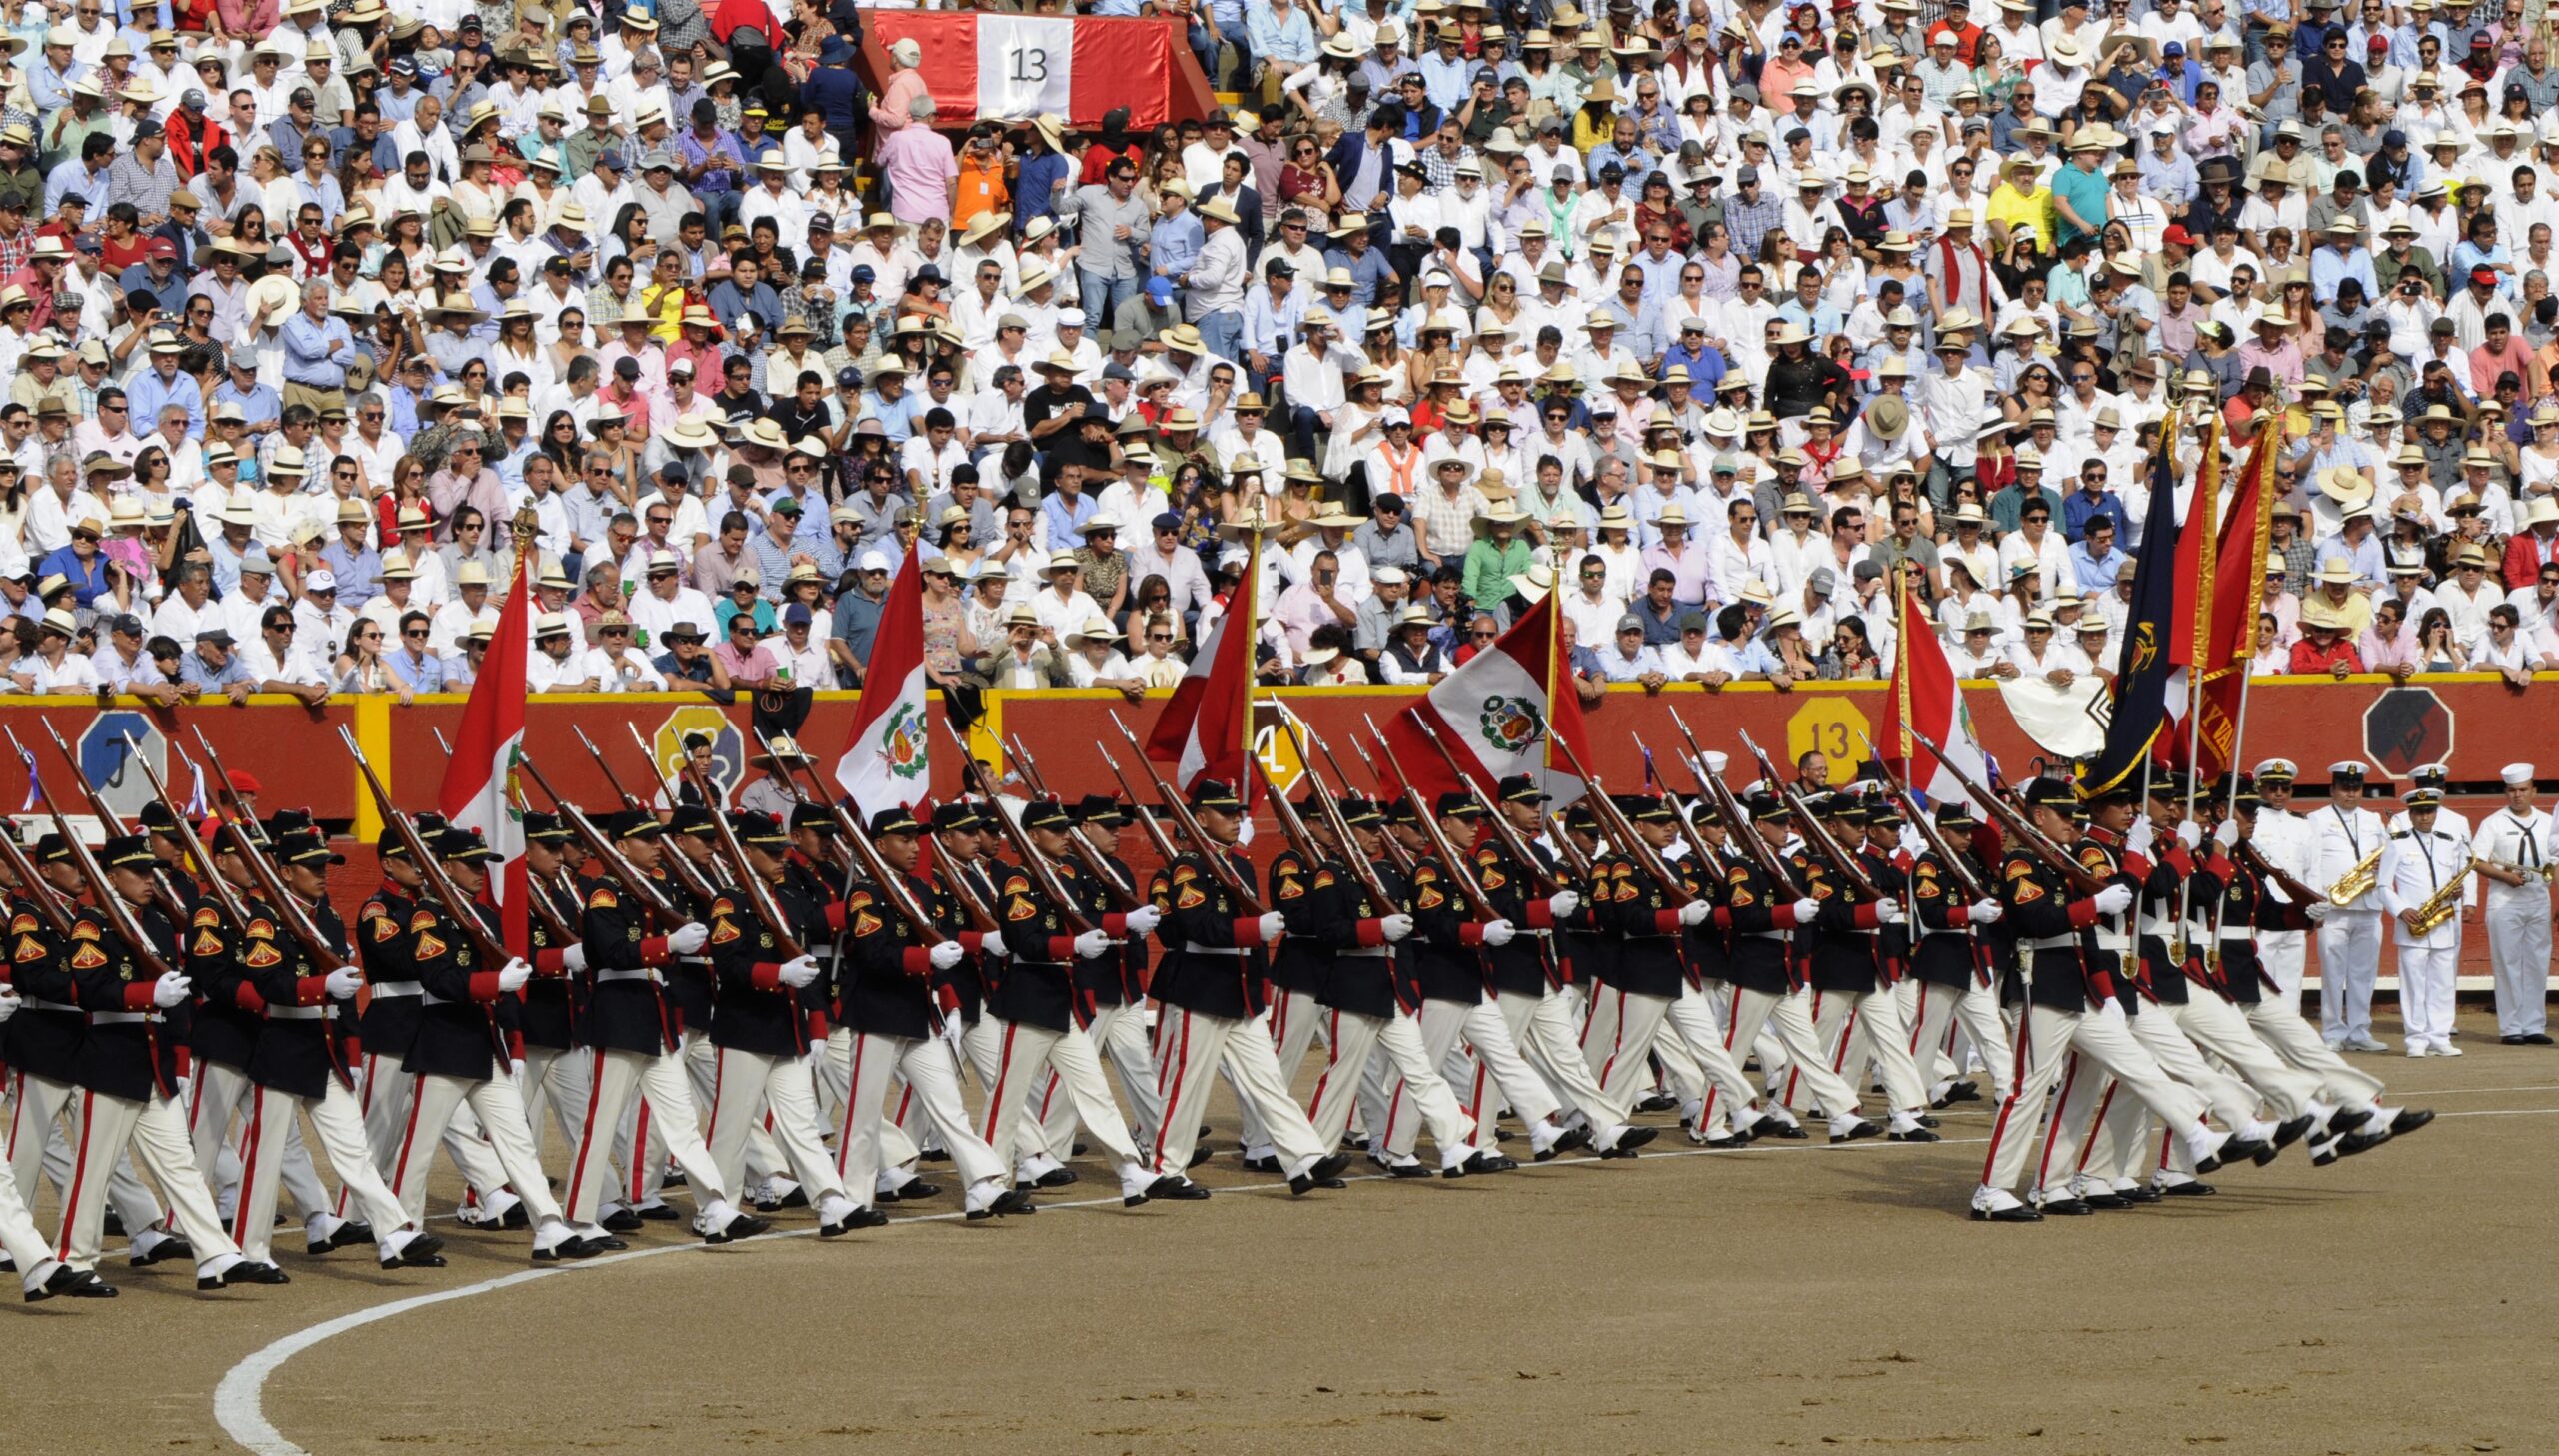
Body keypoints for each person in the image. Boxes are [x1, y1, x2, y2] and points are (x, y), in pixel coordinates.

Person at [2472, 763, 2555, 1045]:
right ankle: (2510, 1028)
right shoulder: (2493, 823)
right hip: (2504, 900)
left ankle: (2533, 1025)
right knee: (2506, 962)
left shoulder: (2548, 823)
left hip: (2538, 899)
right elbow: (2477, 861)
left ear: (2534, 791)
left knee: (2537, 962)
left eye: (2523, 790)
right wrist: (2505, 877)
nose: (2517, 796)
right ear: (2506, 792)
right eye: (2512, 791)